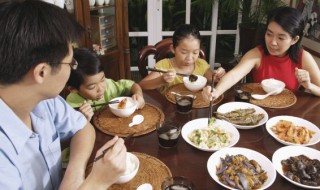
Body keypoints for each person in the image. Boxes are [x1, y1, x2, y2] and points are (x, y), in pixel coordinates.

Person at [0, 1, 127, 189]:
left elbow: (83, 128)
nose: (72, 69)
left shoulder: (44, 101)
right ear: (42, 72)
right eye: (70, 64)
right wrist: (97, 181)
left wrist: (73, 175)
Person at [203, 6, 320, 101]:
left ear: (294, 40)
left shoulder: (303, 57)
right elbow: (234, 75)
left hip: (289, 118)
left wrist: (309, 86)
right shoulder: (257, 54)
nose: (273, 42)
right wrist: (216, 91)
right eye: (269, 34)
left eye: (281, 38)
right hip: (259, 112)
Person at [139, 24, 225, 94]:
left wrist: (218, 75)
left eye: (195, 52)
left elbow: (213, 78)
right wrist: (161, 80)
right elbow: (142, 85)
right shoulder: (164, 66)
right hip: (169, 109)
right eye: (184, 52)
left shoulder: (201, 64)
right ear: (173, 49)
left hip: (196, 106)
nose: (189, 58)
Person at [66, 48, 145, 121]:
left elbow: (132, 85)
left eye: (102, 79)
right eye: (92, 87)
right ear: (73, 89)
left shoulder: (109, 85)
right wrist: (81, 121)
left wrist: (138, 94)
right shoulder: (70, 106)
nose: (101, 89)